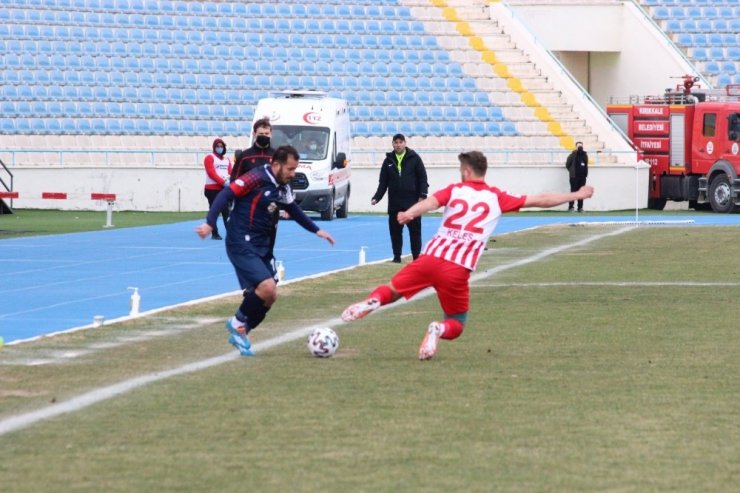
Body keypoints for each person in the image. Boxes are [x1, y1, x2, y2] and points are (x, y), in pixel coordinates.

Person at [342, 151, 594, 361]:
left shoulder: (454, 190)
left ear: (465, 172)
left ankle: (370, 303)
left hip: (431, 258)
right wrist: (576, 195)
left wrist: (409, 213)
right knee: (457, 321)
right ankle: (437, 330)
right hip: (458, 268)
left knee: (393, 289)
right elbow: (541, 199)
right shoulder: (497, 197)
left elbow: (430, 203)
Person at [196, 146, 335, 356]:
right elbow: (226, 193)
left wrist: (316, 230)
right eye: (290, 168)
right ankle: (236, 323)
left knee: (270, 296)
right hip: (241, 240)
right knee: (267, 287)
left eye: (295, 169)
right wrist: (209, 223)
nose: (293, 173)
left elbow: (293, 210)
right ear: (276, 165)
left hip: (262, 245)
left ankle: (242, 331)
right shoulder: (256, 177)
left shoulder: (283, 187)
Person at [371, 134, 428, 263]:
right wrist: (376, 197)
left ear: (405, 143)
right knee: (395, 233)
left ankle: (416, 257)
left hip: (412, 204)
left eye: (400, 142)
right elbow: (383, 183)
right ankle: (397, 257)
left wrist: (422, 195)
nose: (398, 144)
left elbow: (423, 179)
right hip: (395, 204)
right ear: (392, 144)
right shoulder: (388, 161)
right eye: (395, 142)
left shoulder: (415, 158)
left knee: (415, 232)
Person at [202, 137, 232, 240]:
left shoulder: (227, 160)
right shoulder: (209, 157)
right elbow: (211, 173)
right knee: (214, 211)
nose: (220, 148)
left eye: (221, 146)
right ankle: (214, 233)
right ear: (214, 147)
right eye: (217, 146)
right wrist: (223, 182)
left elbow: (230, 172)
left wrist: (230, 181)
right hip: (212, 189)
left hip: (224, 188)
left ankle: (231, 233)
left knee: (226, 211)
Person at [565, 141, 589, 212]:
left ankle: (580, 208)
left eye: (581, 145)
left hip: (582, 177)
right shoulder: (572, 155)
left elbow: (586, 164)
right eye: (578, 145)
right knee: (573, 192)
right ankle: (571, 207)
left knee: (581, 192)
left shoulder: (585, 155)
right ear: (576, 146)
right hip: (574, 177)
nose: (580, 146)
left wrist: (585, 174)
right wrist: (572, 171)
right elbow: (567, 165)